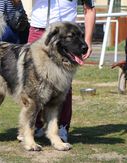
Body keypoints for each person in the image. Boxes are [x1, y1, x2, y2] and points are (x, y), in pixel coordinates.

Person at [28, 0, 96, 142]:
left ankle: (61, 127)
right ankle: (35, 126)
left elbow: (89, 9)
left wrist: (88, 40)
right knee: (33, 83)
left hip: (67, 33)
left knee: (65, 84)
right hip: (38, 29)